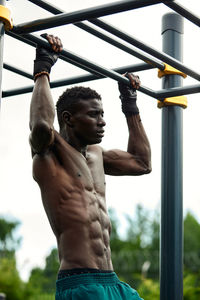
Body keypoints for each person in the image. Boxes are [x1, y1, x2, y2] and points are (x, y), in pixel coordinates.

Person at [29, 34, 151, 300]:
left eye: (102, 114)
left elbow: (142, 163)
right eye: (94, 115)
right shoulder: (49, 153)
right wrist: (43, 67)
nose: (102, 121)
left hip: (112, 280)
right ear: (68, 119)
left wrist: (129, 103)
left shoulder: (97, 155)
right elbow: (40, 125)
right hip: (80, 283)